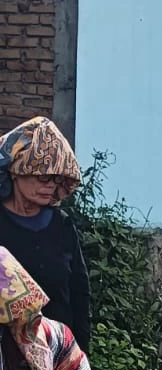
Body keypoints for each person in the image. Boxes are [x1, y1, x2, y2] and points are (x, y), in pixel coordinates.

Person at [0, 116, 91, 353]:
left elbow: (80, 295)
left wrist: (80, 355)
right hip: (6, 359)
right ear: (17, 170)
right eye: (43, 176)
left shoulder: (62, 226)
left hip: (58, 354)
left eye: (56, 179)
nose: (50, 185)